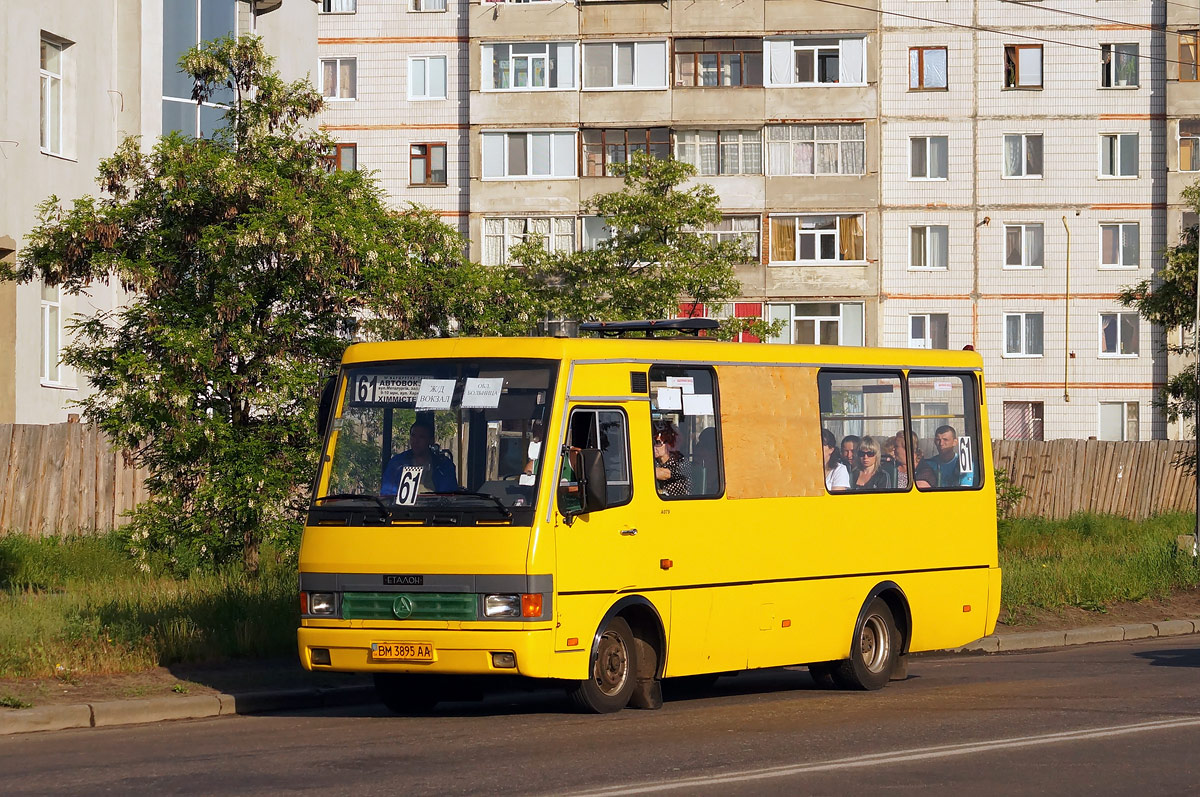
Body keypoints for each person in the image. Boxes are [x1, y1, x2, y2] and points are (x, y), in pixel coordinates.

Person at [380, 420, 459, 498]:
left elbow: (448, 495)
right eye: (413, 436)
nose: (416, 441)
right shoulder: (397, 464)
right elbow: (388, 495)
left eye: (421, 437)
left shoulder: (443, 466)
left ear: (431, 440)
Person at [653, 421, 691, 497]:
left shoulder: (682, 462)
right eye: (653, 442)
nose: (654, 447)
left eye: (658, 443)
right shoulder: (656, 462)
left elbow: (664, 474)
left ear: (670, 444)